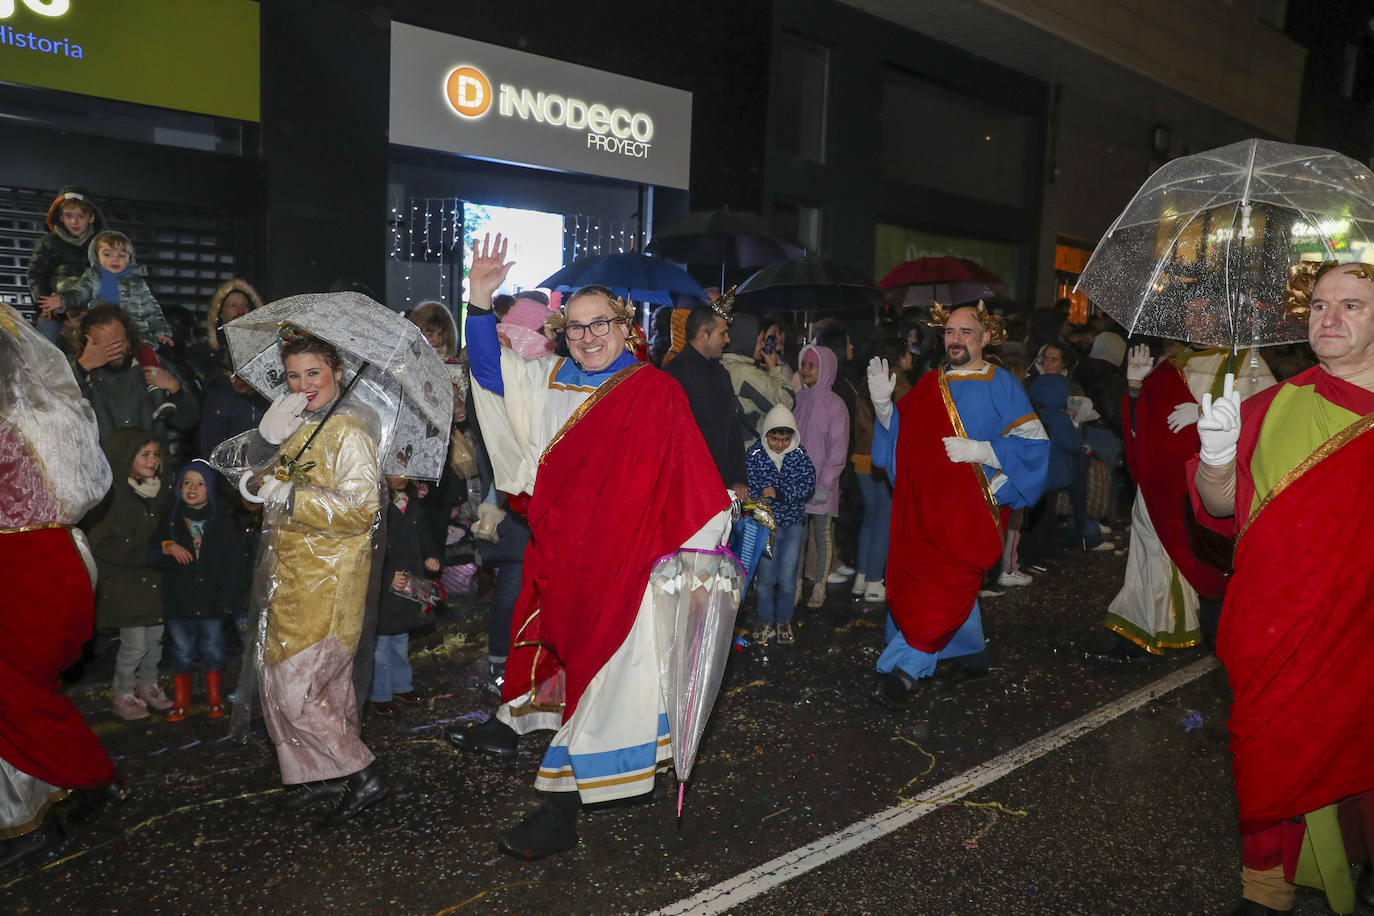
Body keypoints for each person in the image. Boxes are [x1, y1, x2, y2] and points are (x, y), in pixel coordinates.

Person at [450, 234, 732, 861]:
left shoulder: (655, 392)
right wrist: (477, 298)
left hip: (627, 569)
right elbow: (492, 379)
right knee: (576, 674)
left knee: (606, 684)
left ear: (625, 325)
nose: (586, 336)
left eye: (598, 323)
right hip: (562, 563)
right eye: (574, 327)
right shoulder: (549, 378)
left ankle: (557, 812)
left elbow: (690, 481)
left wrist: (705, 552)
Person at [1191, 261, 1374, 915]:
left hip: (1361, 632)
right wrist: (1215, 459)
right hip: (1271, 627)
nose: (1329, 317)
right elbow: (1218, 508)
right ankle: (1265, 888)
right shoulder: (1274, 404)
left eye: (1351, 305)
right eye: (1320, 304)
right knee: (1269, 756)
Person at [219, 328, 386, 829]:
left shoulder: (351, 432)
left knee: (300, 692)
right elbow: (246, 478)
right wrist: (263, 446)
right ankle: (320, 773)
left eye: (313, 372)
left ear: (337, 373)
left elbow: (362, 511)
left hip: (329, 584)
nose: (303, 383)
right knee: (302, 689)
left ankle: (362, 772)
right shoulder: (296, 423)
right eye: (293, 375)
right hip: (287, 576)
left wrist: (288, 495)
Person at [868, 302, 1048, 708]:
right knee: (921, 584)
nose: (955, 339)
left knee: (947, 589)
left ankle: (907, 670)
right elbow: (902, 441)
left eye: (966, 332)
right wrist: (883, 407)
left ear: (986, 338)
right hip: (925, 513)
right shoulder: (931, 383)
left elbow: (1035, 445)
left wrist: (983, 450)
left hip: (968, 515)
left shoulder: (1002, 384)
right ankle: (969, 654)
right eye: (950, 331)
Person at [0, 303, 124, 871]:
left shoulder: (27, 420)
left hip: (29, 566)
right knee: (21, 694)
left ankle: (51, 807)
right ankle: (63, 790)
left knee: (16, 695)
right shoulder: (52, 412)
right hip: (58, 558)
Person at [1097, 338, 1274, 661]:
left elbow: (1268, 419)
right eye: (1191, 307)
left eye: (1202, 307)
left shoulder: (1248, 363)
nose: (1194, 314)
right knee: (1148, 554)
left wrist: (1204, 412)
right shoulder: (1175, 361)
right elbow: (1147, 424)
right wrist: (1136, 387)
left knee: (1182, 558)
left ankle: (1170, 632)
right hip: (1157, 482)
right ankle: (1140, 631)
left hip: (1201, 486)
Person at [86, 429, 174, 721]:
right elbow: (100, 542)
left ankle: (147, 684)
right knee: (133, 646)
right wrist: (142, 552)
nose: (152, 460)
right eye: (145, 454)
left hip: (152, 584)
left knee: (154, 641)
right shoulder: (115, 498)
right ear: (128, 458)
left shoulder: (160, 492)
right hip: (125, 586)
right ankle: (123, 692)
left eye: (156, 454)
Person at [155, 459, 243, 721]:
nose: (192, 488)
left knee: (213, 648)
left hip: (211, 603)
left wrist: (229, 598)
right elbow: (151, 553)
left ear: (210, 489)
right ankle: (182, 700)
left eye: (200, 483)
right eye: (187, 482)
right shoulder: (170, 520)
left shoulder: (222, 523)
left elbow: (233, 563)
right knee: (181, 649)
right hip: (179, 602)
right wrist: (168, 547)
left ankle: (214, 697)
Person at [71, 305, 200, 449]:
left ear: (129, 338)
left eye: (118, 343)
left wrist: (175, 390)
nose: (114, 352)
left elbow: (190, 421)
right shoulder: (77, 374)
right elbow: (55, 411)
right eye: (105, 347)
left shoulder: (153, 364)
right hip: (100, 468)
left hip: (151, 465)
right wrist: (81, 368)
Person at [663, 299, 749, 499]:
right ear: (703, 336)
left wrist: (738, 478)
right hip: (688, 488)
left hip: (722, 485)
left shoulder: (721, 373)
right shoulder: (674, 376)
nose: (727, 340)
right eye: (722, 333)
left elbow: (732, 428)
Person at [370, 475, 440, 715]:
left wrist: (431, 554)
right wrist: (387, 575)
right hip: (384, 584)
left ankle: (401, 685)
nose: (401, 477)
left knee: (400, 640)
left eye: (405, 472)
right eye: (395, 472)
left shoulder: (411, 502)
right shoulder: (376, 505)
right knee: (380, 645)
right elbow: (370, 546)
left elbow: (425, 532)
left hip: (409, 579)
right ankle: (380, 693)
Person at [746, 405, 816, 646]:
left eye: (785, 440)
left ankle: (784, 620)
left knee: (787, 576)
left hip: (793, 525)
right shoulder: (755, 455)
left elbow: (808, 485)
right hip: (766, 527)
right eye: (774, 439)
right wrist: (762, 497)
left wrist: (781, 493)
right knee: (765, 577)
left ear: (792, 437)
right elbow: (751, 489)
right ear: (765, 434)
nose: (779, 445)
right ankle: (764, 620)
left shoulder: (799, 455)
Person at [851, 333, 912, 601]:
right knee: (884, 521)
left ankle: (862, 577)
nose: (912, 357)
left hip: (862, 457)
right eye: (908, 353)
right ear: (898, 357)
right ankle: (876, 581)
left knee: (870, 520)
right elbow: (907, 423)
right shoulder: (899, 385)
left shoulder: (869, 380)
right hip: (884, 460)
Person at [795, 343, 850, 608]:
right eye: (803, 365)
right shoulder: (800, 399)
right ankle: (796, 585)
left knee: (822, 534)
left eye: (811, 365)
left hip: (822, 485)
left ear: (825, 369)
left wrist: (825, 484)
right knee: (799, 536)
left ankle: (820, 586)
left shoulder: (835, 405)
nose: (805, 370)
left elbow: (838, 449)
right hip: (798, 484)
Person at [59, 230, 175, 350]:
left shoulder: (137, 282)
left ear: (130, 258)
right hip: (102, 334)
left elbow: (152, 308)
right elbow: (79, 293)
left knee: (148, 359)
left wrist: (161, 333)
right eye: (107, 254)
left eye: (121, 255)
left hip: (136, 336)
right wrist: (62, 300)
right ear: (96, 256)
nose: (115, 259)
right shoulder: (93, 277)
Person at [27, 186, 105, 344]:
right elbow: (36, 275)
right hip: (55, 310)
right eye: (68, 216)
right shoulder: (48, 243)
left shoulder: (102, 245)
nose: (74, 221)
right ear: (61, 218)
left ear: (91, 217)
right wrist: (46, 302)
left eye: (80, 216)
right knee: (44, 342)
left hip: (93, 309)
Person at [721, 311, 794, 441]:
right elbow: (785, 402)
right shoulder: (746, 372)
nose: (762, 345)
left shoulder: (720, 363)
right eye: (760, 340)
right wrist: (774, 369)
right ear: (746, 340)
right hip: (747, 451)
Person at [189, 278, 263, 384]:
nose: (241, 311)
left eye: (245, 305)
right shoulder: (206, 350)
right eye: (233, 305)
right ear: (221, 314)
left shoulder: (262, 348)